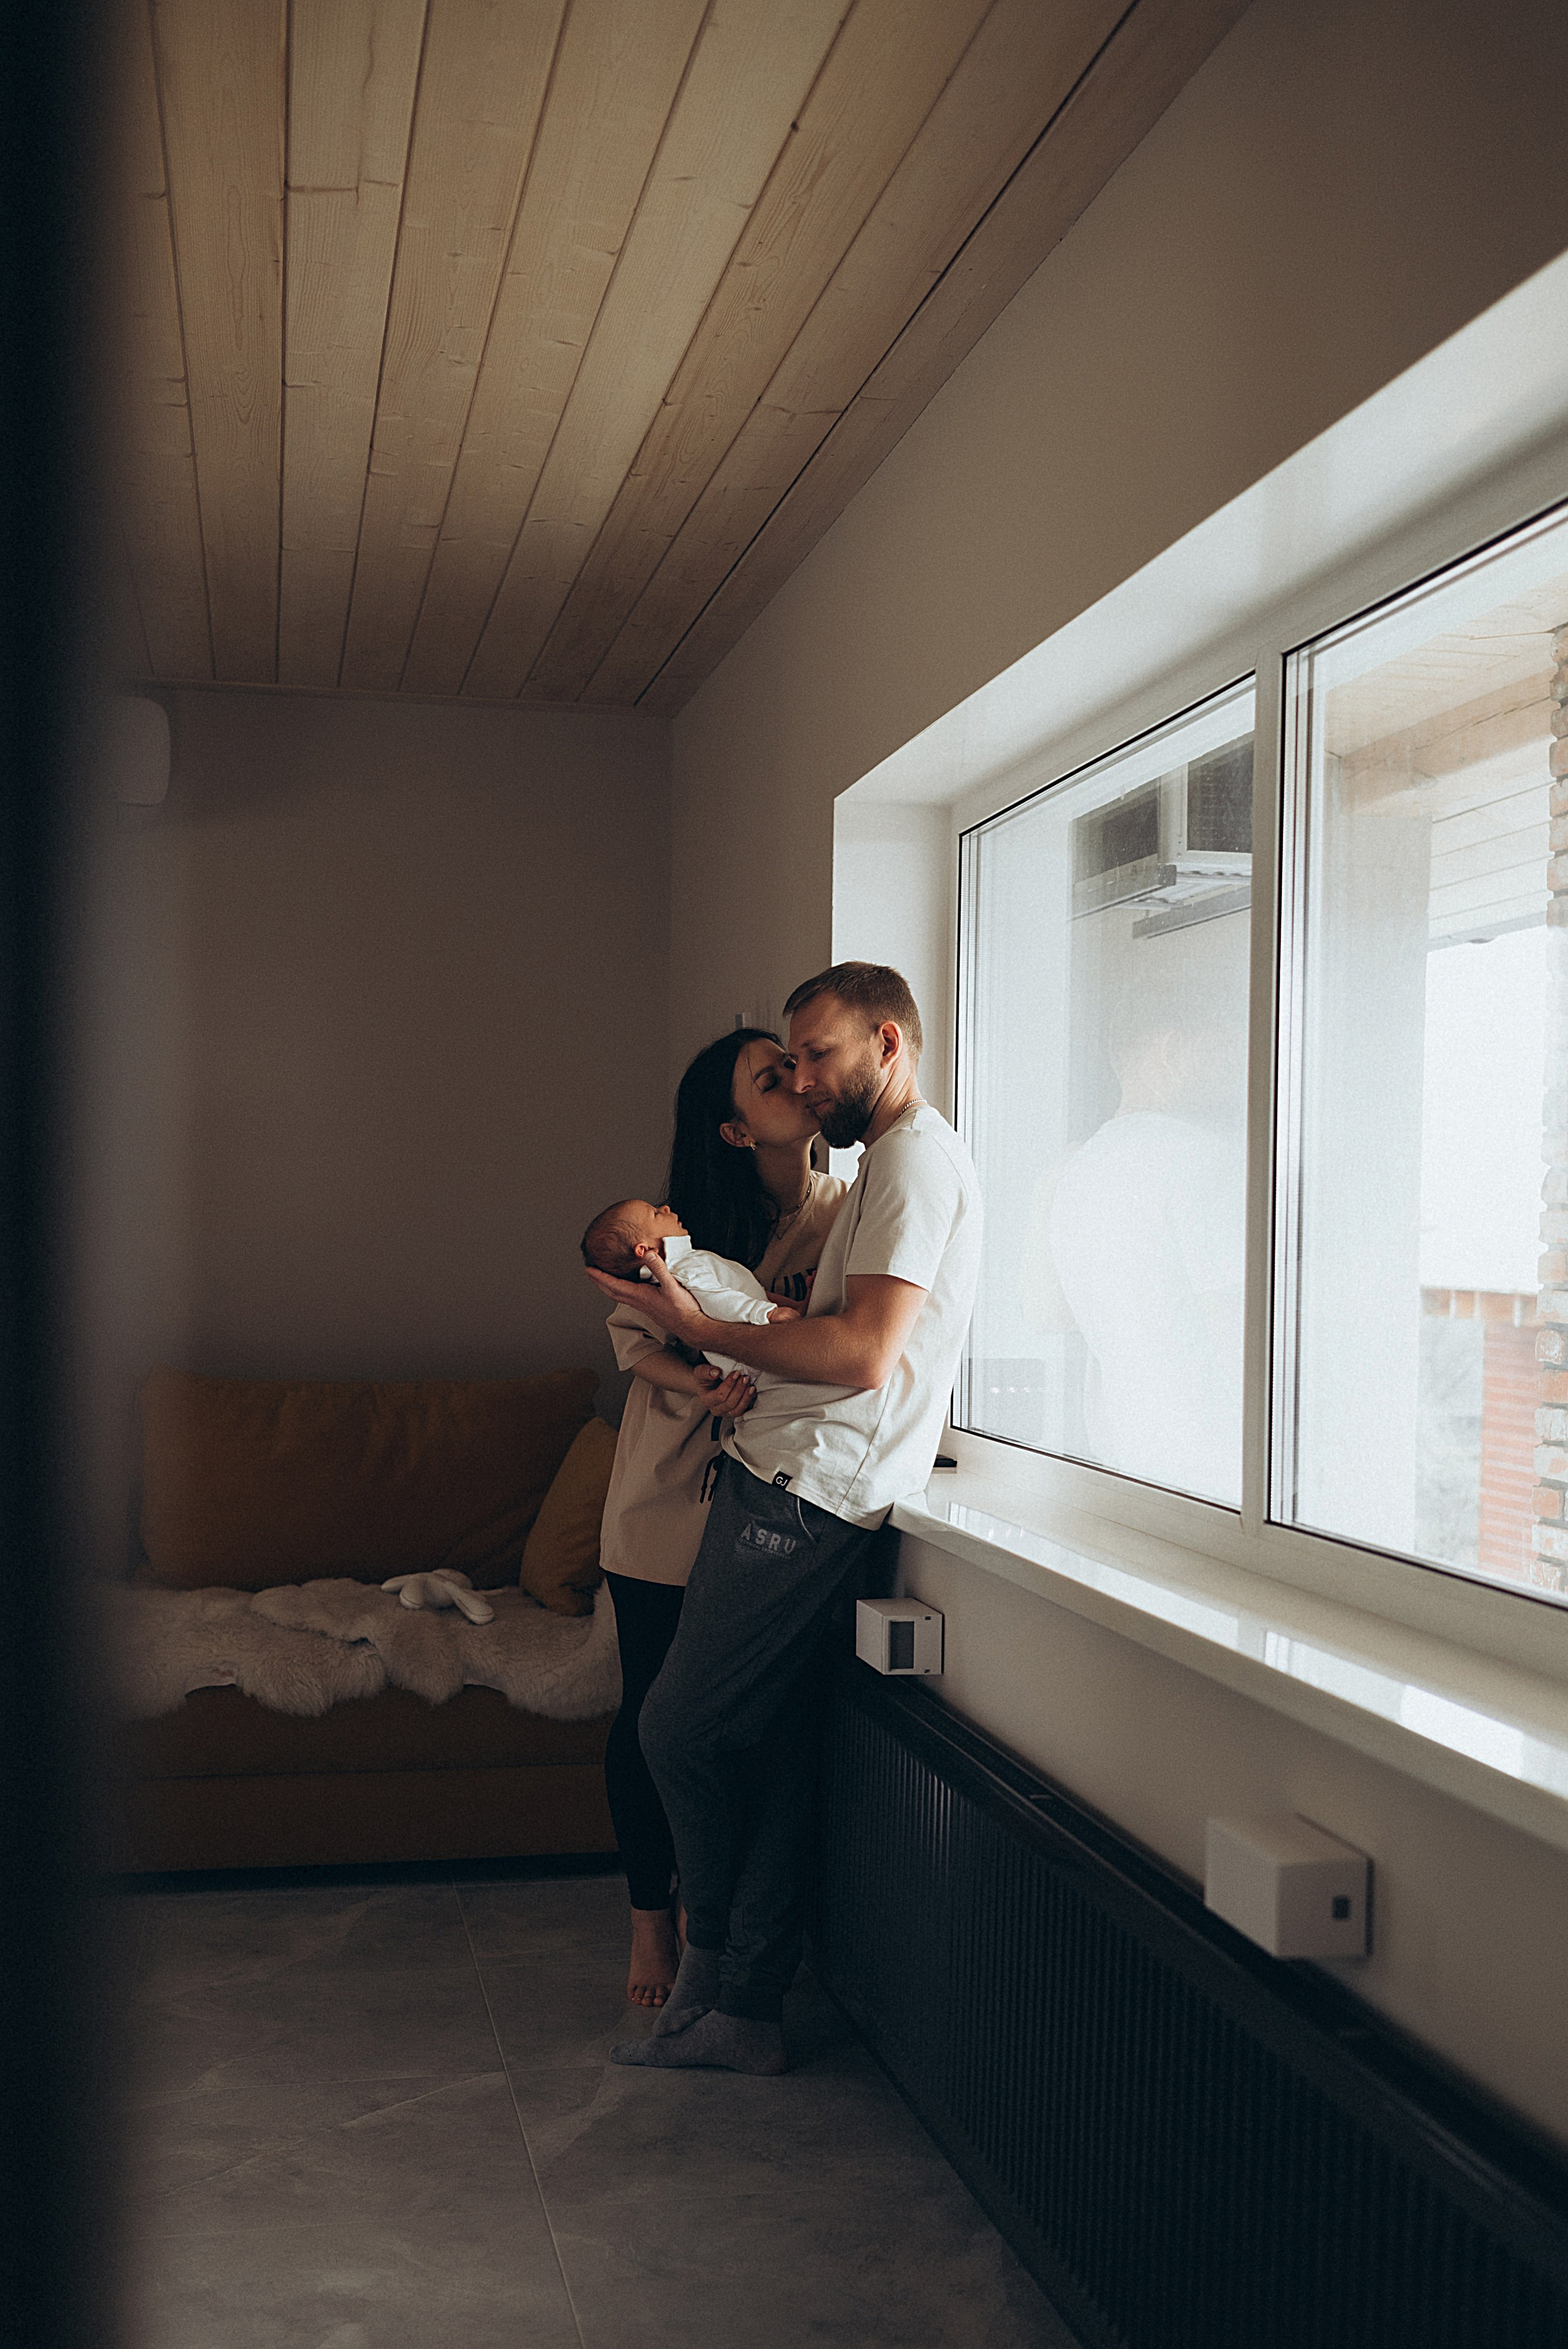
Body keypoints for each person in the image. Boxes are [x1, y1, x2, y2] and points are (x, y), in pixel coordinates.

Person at [584, 963, 982, 2075]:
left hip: (807, 1488)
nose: (805, 1080)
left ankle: (716, 1968)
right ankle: (737, 2003)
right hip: (781, 1475)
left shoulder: (907, 1163)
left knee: (677, 1730)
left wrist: (704, 1329)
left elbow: (861, 1359)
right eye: (792, 1063)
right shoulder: (885, 1169)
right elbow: (845, 1332)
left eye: (819, 1056)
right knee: (740, 1739)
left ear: (889, 1045)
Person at [597, 1030, 848, 2009]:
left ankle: (719, 1905)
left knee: (744, 1723)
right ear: (737, 1127)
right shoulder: (676, 1228)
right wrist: (698, 1374)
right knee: (651, 1716)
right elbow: (632, 1344)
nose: (801, 1079)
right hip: (666, 1489)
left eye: (798, 1062)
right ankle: (651, 1915)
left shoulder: (846, 1214)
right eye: (772, 1076)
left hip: (768, 1505)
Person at [580, 1197, 801, 1381]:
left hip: (755, 1355)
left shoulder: (688, 1262)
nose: (665, 1208)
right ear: (645, 1250)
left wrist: (798, 1306)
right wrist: (765, 1313)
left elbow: (747, 1290)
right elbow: (718, 1300)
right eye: (656, 1214)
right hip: (755, 1365)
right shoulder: (685, 1271)